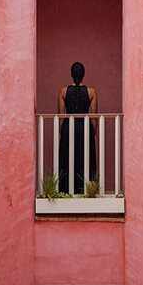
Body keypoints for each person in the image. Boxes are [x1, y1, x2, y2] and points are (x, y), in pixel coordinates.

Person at [57, 62, 97, 194]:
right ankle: (86, 190)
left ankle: (66, 190)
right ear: (83, 75)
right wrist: (93, 133)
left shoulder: (63, 91)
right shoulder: (91, 92)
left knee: (67, 158)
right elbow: (94, 118)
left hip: (69, 128)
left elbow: (61, 117)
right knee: (86, 158)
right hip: (85, 128)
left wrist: (62, 133)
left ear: (71, 75)